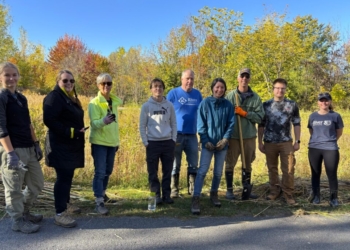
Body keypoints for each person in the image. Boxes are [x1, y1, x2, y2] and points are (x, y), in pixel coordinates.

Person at [0, 62, 44, 234]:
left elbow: (28, 123)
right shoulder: (1, 97)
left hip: (28, 147)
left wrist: (36, 143)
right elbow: (1, 127)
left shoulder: (21, 98)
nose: (11, 78)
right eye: (7, 75)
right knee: (14, 187)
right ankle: (17, 220)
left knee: (37, 183)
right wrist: (10, 153)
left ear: (18, 76)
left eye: (14, 75)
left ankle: (25, 212)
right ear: (1, 77)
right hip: (13, 149)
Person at [43, 70, 85, 228]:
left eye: (72, 81)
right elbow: (49, 120)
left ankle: (66, 205)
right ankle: (60, 214)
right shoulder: (54, 97)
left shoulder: (68, 98)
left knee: (68, 176)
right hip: (60, 146)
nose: (69, 83)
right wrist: (71, 132)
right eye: (65, 80)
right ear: (58, 81)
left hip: (70, 145)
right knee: (63, 178)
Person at [191, 78, 234, 215]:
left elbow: (231, 123)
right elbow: (201, 124)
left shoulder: (228, 105)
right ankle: (196, 197)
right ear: (212, 88)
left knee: (218, 172)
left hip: (222, 145)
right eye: (217, 87)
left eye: (222, 87)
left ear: (224, 89)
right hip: (207, 144)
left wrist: (226, 139)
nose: (219, 90)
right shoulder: (205, 104)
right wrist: (205, 140)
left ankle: (214, 194)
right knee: (202, 170)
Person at [258, 78, 301, 205]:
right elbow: (261, 125)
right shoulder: (266, 105)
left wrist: (297, 141)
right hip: (269, 142)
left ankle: (288, 194)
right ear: (273, 89)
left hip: (286, 142)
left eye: (282, 88)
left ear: (285, 90)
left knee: (288, 168)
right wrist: (259, 142)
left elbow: (297, 123)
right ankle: (274, 191)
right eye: (277, 88)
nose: (280, 90)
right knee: (272, 168)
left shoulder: (292, 105)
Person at [224, 68, 264, 200]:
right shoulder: (230, 97)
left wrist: (245, 114)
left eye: (247, 77)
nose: (244, 79)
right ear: (238, 78)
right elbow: (223, 117)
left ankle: (246, 189)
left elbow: (260, 117)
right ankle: (229, 190)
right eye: (242, 76)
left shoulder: (255, 98)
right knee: (230, 163)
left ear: (249, 79)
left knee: (247, 163)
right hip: (234, 137)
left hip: (249, 137)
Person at [88, 73, 122, 215]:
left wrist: (117, 141)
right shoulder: (94, 103)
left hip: (111, 142)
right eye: (103, 83)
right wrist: (104, 121)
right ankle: (98, 201)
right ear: (98, 85)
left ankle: (103, 194)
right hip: (99, 142)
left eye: (109, 83)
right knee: (100, 172)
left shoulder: (113, 102)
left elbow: (115, 125)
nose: (106, 86)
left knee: (108, 171)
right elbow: (94, 124)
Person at [139, 78, 177, 204]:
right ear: (151, 89)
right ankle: (155, 197)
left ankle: (167, 195)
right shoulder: (146, 106)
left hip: (167, 143)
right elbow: (142, 125)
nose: (158, 89)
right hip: (152, 143)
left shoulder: (169, 105)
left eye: (160, 86)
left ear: (163, 89)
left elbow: (174, 124)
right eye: (155, 86)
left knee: (167, 171)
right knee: (152, 173)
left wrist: (173, 140)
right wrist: (146, 142)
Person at [167, 69, 202, 198]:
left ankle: (192, 190)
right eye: (187, 78)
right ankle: (174, 190)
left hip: (192, 135)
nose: (189, 81)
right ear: (182, 79)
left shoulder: (197, 94)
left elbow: (201, 114)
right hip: (177, 135)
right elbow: (166, 112)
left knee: (193, 163)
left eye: (192, 78)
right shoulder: (173, 94)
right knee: (175, 164)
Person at [307, 92, 343, 207]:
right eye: (321, 100)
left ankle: (333, 198)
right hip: (314, 148)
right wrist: (318, 140)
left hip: (330, 148)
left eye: (326, 100)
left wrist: (329, 140)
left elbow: (339, 132)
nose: (324, 102)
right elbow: (311, 131)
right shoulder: (313, 116)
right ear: (318, 102)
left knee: (331, 173)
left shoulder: (335, 116)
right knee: (315, 173)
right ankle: (316, 197)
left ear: (330, 101)